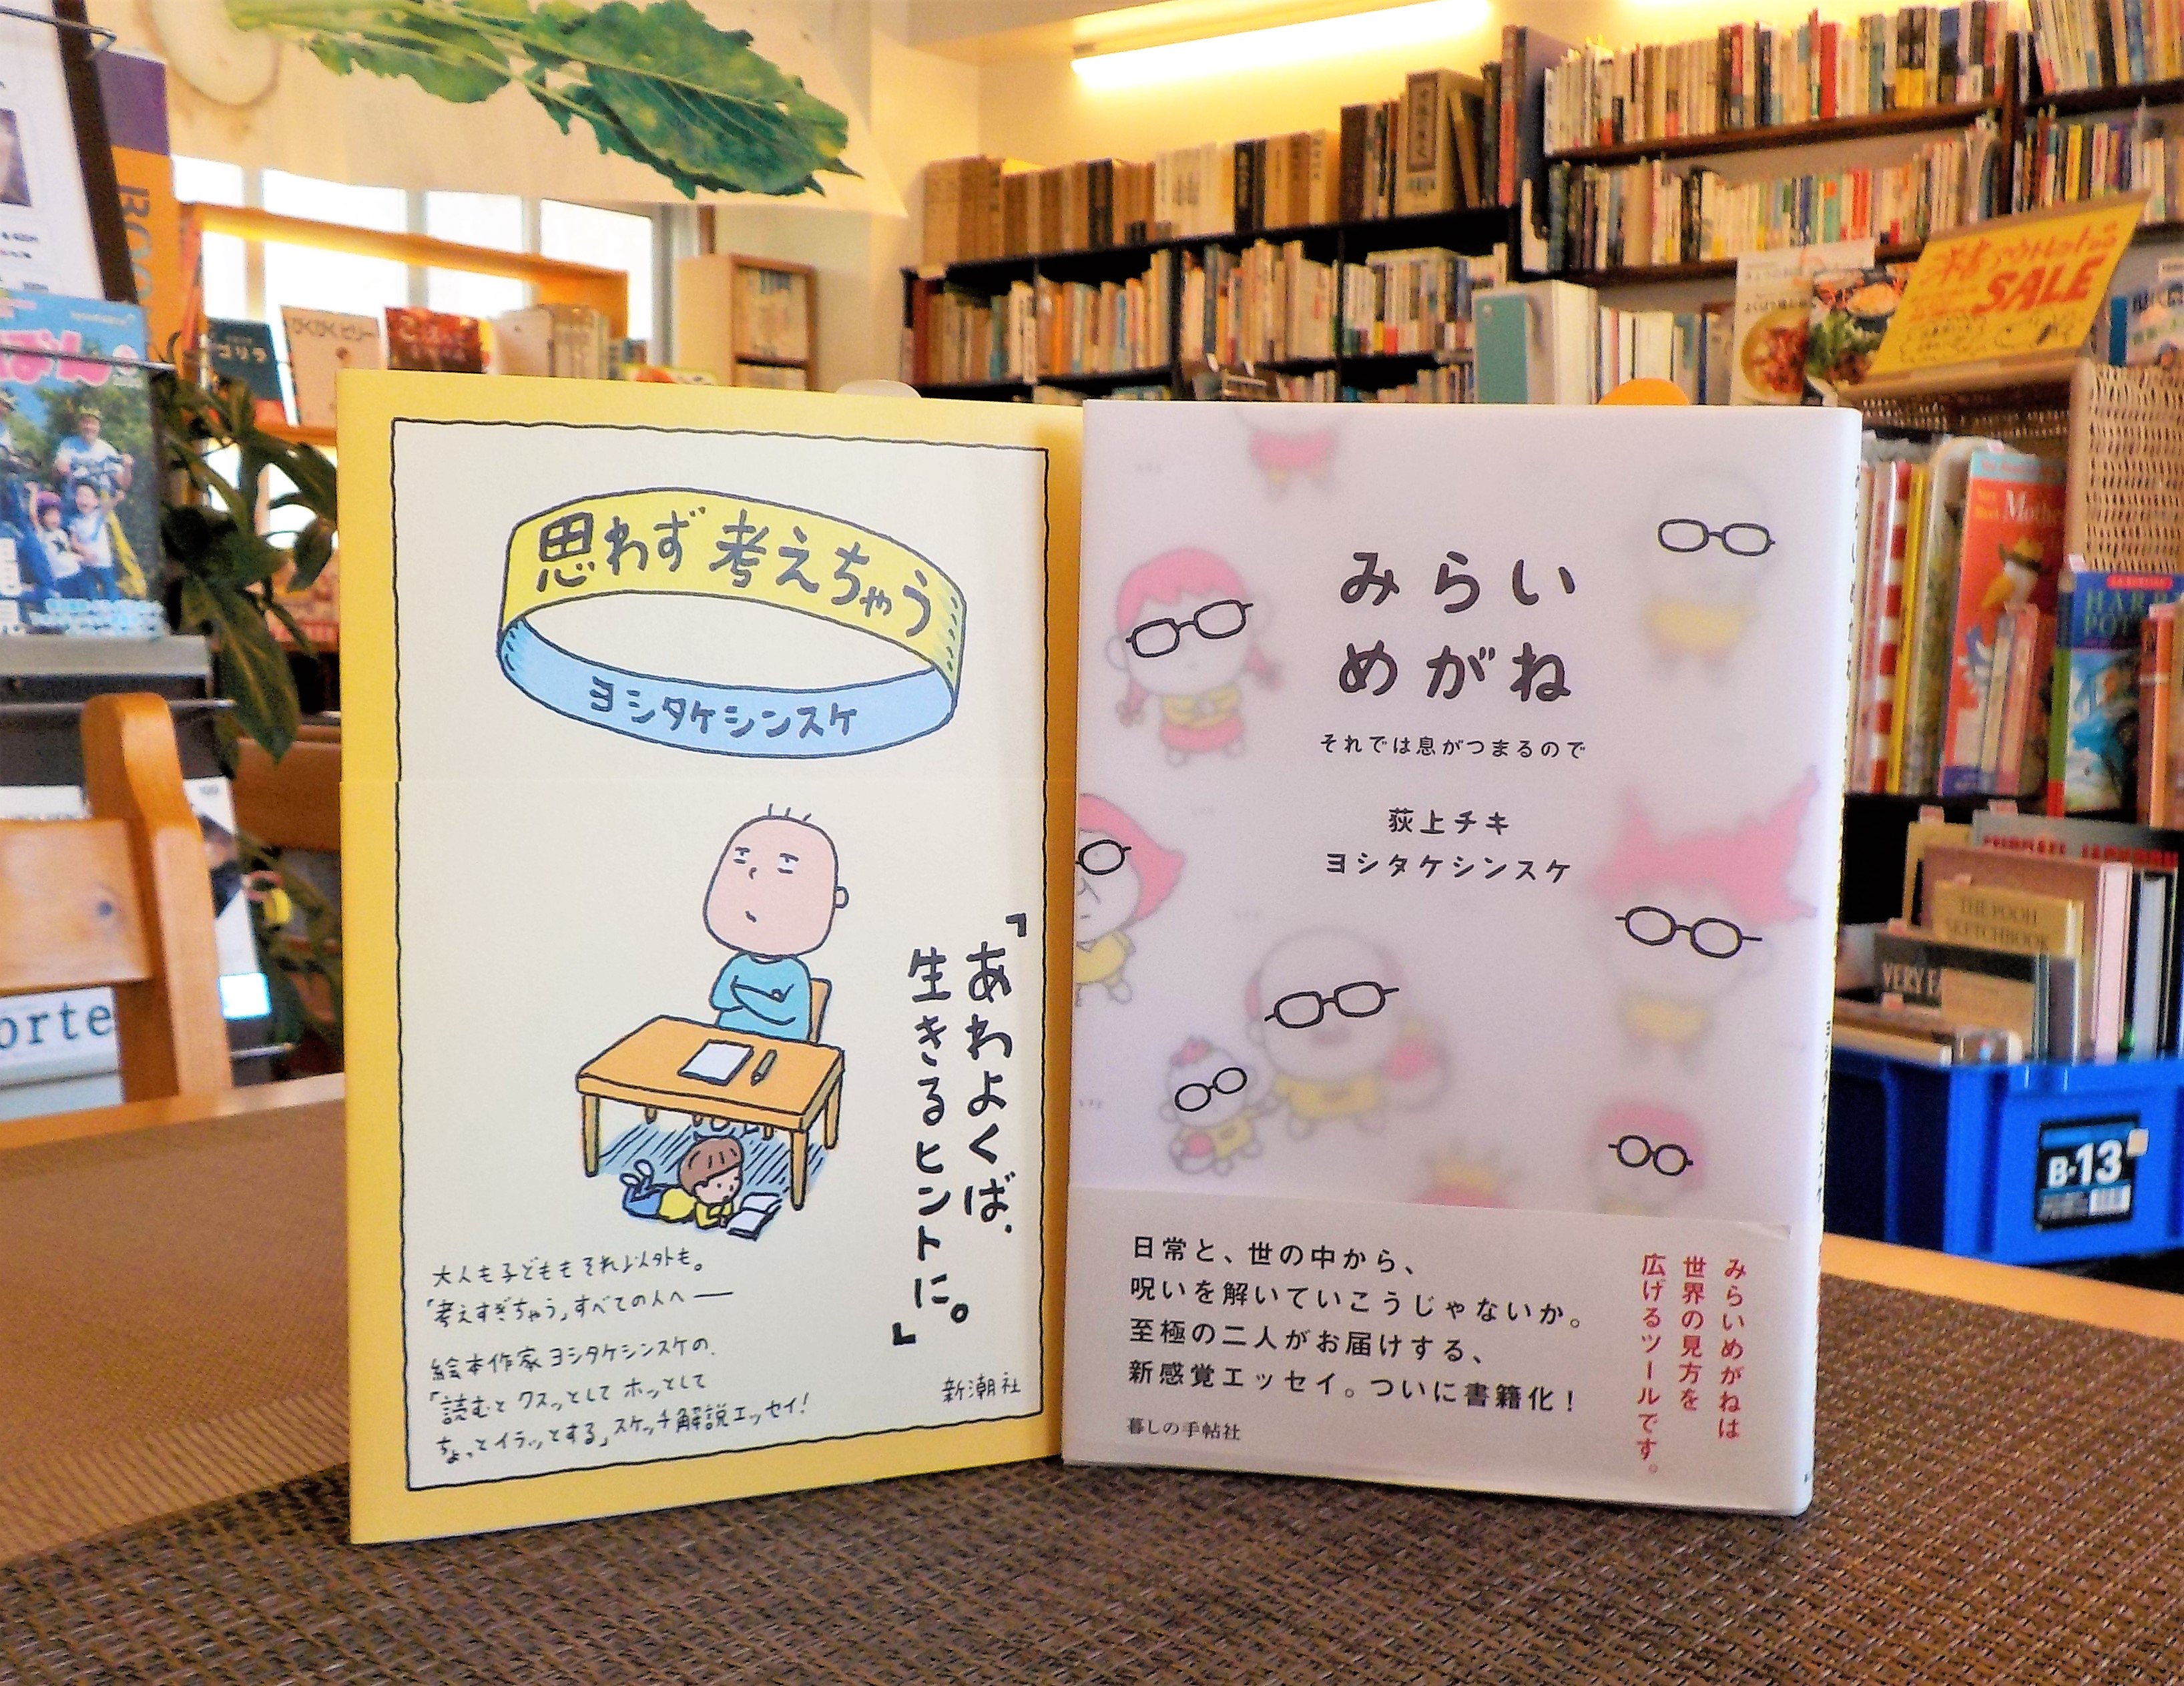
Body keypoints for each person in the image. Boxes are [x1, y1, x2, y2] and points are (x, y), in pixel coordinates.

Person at [703, 810, 846, 1042]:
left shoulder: (794, 973)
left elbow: (785, 1016)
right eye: (742, 857)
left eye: (786, 865)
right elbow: (719, 1000)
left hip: (780, 1049)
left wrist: (741, 993)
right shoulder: (739, 963)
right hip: (728, 1041)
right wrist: (762, 999)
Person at [623, 1137, 745, 1228]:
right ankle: (633, 1186)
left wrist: (728, 1217)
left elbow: (728, 1212)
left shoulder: (725, 1200)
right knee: (631, 1204)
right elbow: (703, 1222)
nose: (728, 1190)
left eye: (736, 1179)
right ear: (699, 1187)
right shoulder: (701, 1204)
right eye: (719, 1186)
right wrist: (720, 1221)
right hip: (660, 1204)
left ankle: (646, 1179)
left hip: (671, 1193)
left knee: (646, 1192)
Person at [66, 481, 118, 601]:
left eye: (87, 496)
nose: (83, 499)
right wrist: (84, 551)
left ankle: (114, 608)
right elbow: (74, 542)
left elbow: (108, 506)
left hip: (104, 563)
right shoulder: (75, 521)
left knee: (111, 592)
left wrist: (116, 498)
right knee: (91, 594)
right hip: (87, 564)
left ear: (96, 502)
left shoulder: (99, 515)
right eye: (79, 495)